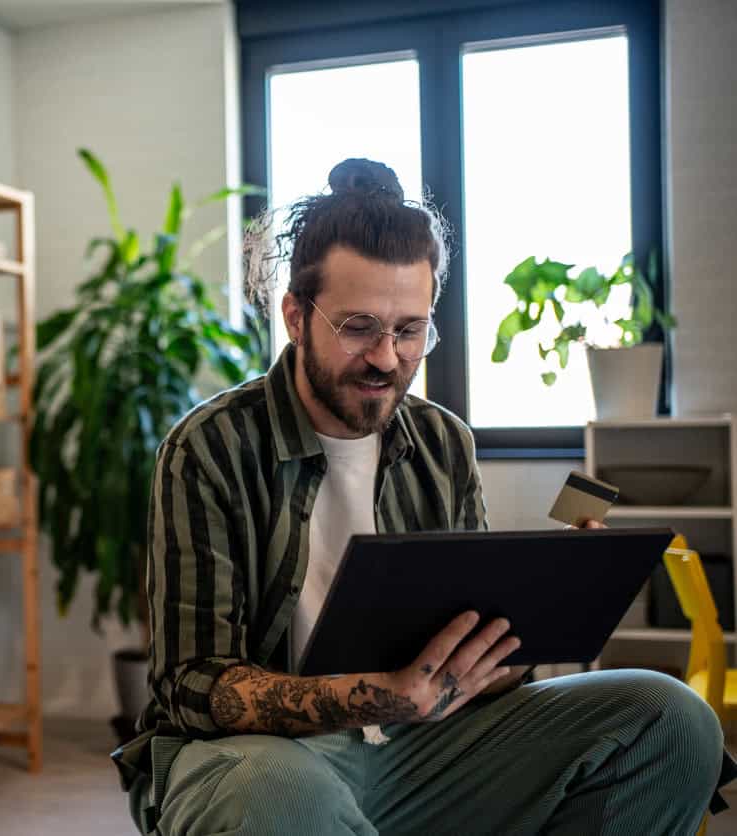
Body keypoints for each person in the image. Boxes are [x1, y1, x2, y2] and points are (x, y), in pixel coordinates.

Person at [111, 158, 735, 835]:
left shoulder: (444, 443)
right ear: (295, 316)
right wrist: (378, 696)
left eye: (410, 330)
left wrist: (539, 613)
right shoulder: (209, 447)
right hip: (258, 761)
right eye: (358, 327)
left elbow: (483, 677)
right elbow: (193, 686)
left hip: (420, 751)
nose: (387, 357)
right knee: (280, 795)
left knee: (672, 720)